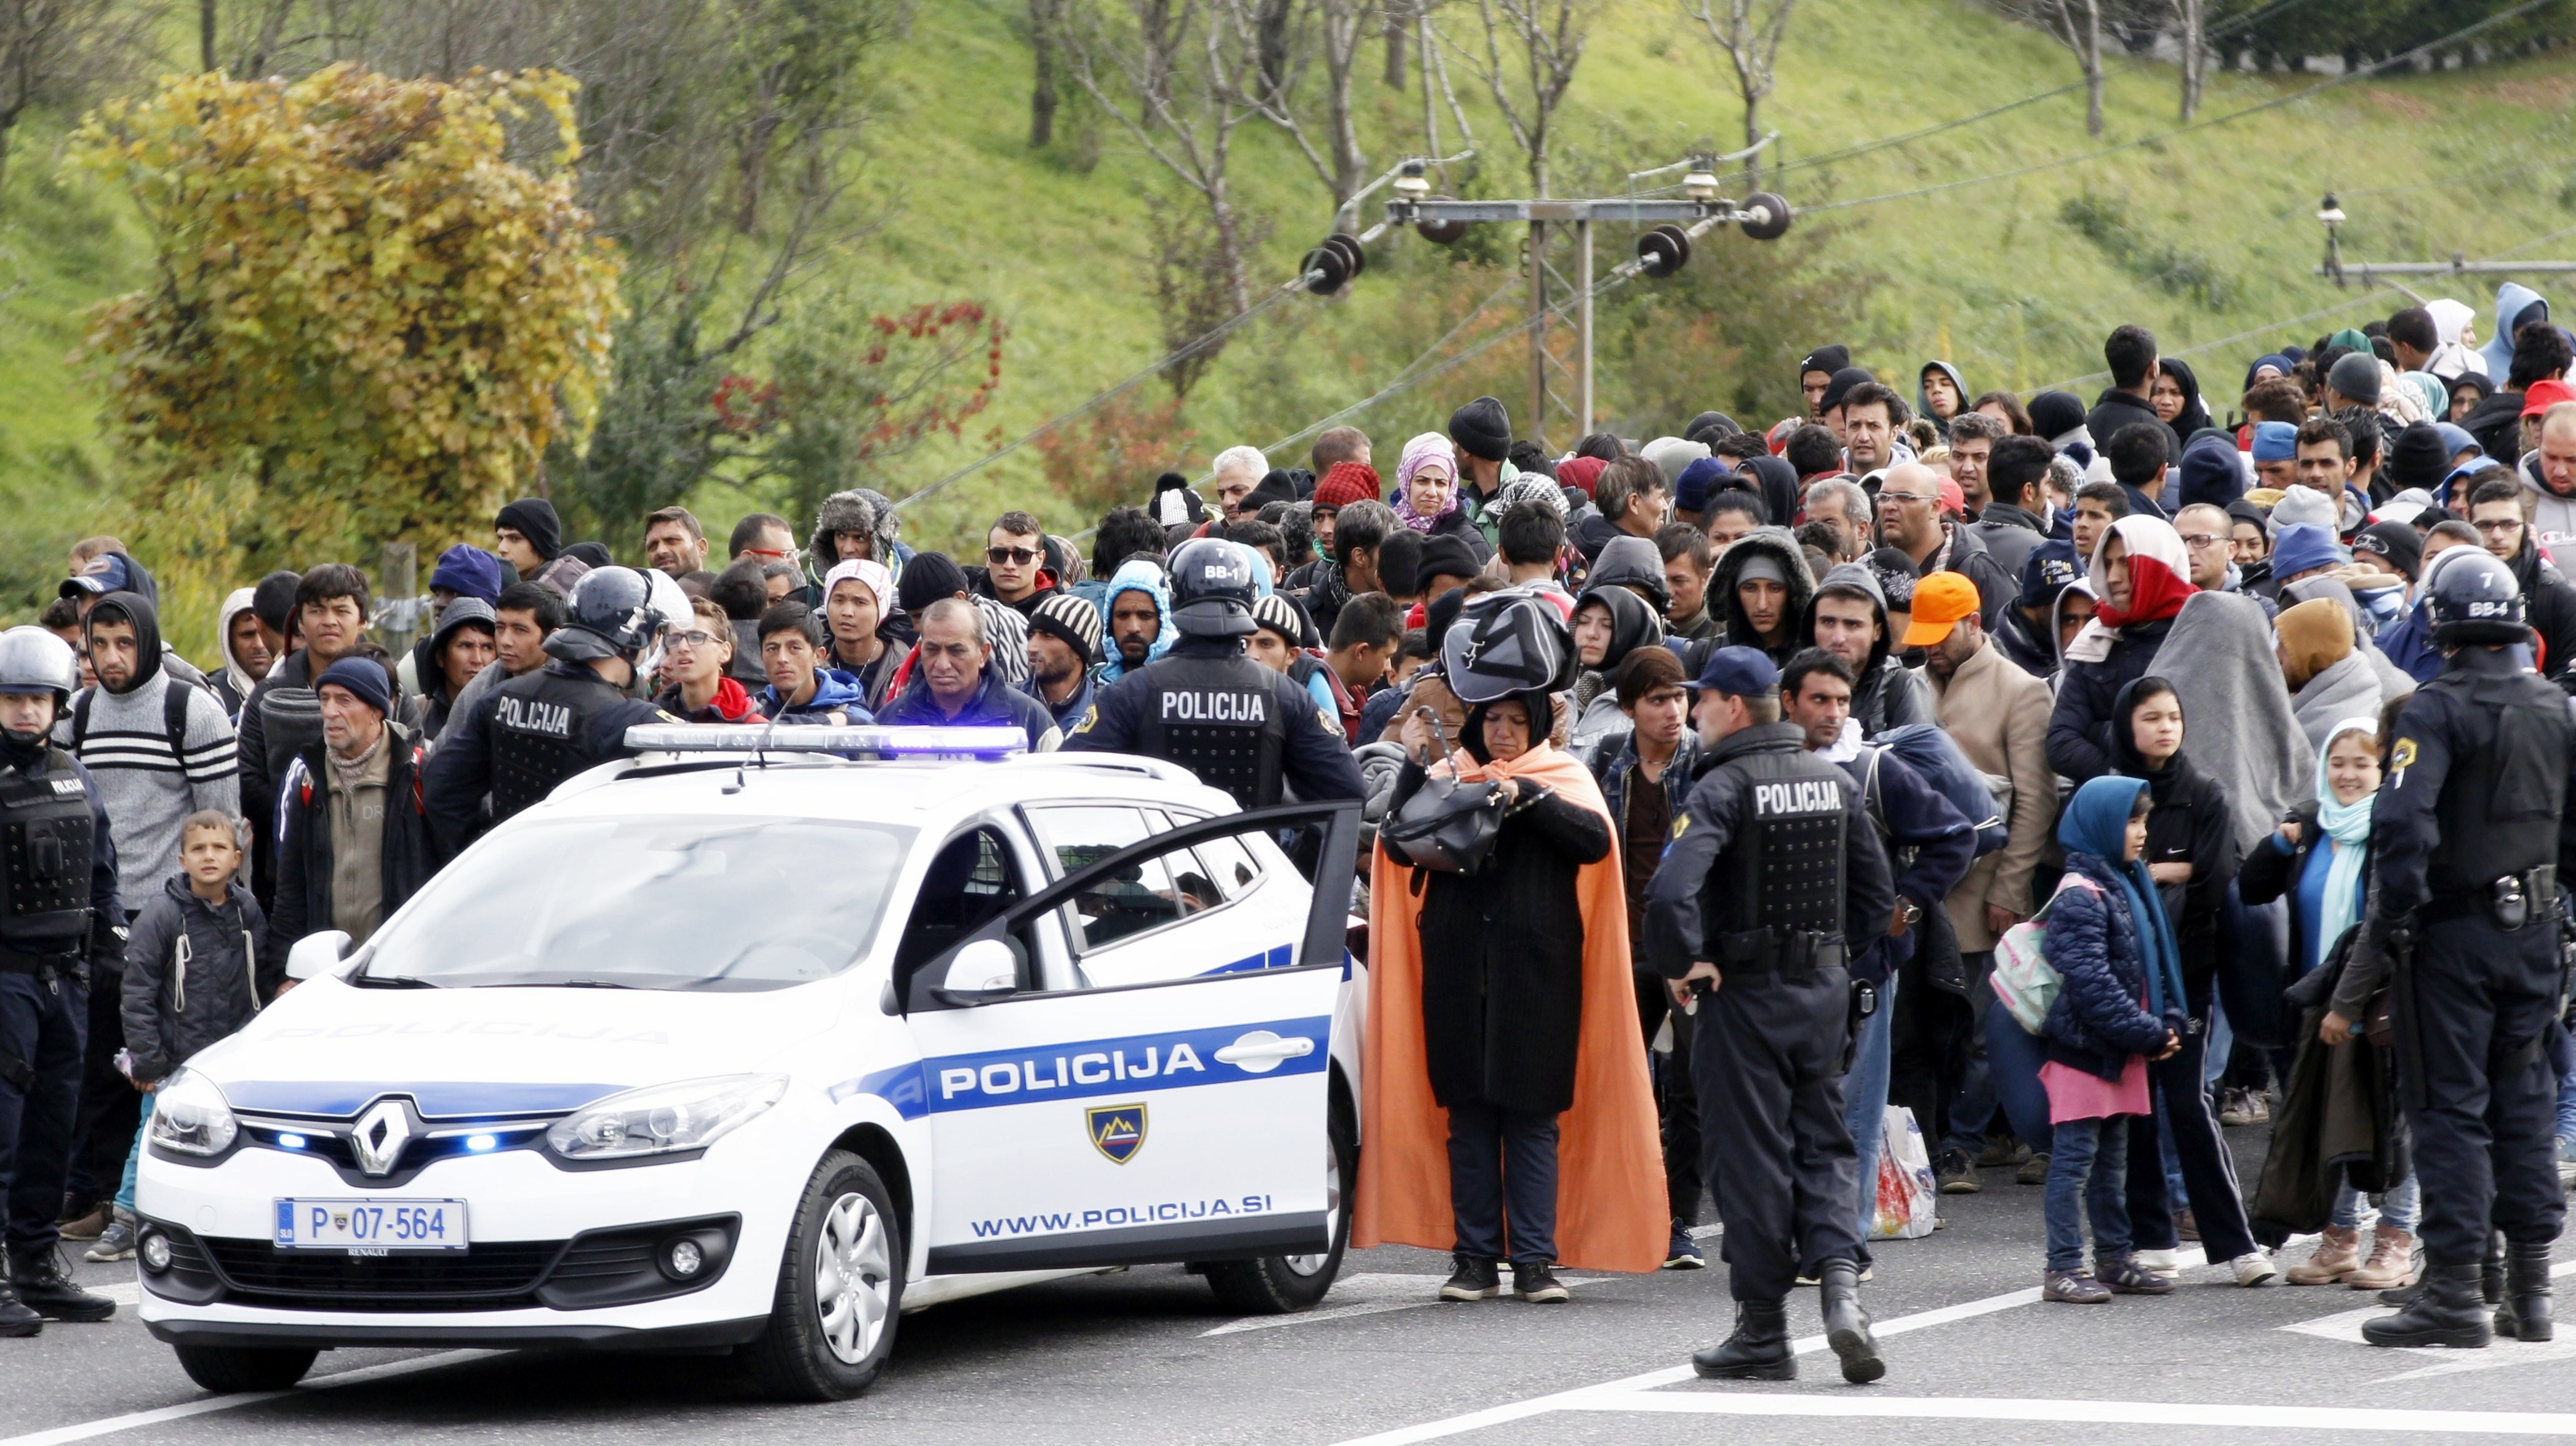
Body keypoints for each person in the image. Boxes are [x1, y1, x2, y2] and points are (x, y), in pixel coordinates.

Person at [1644, 645, 1895, 1384]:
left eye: (1700, 699)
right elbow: (1876, 901)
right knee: (1823, 1142)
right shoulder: (1833, 780)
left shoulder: (1720, 786)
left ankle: (1762, 1330)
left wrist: (1682, 959)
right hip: (1822, 992)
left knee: (1749, 1157)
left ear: (1731, 706)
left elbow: (1668, 894)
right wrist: (1829, 959)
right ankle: (1842, 1291)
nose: (1691, 711)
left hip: (1744, 995)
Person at [2359, 548, 2574, 1348]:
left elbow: (2400, 821)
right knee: (2524, 1099)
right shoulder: (2555, 706)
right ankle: (2528, 1286)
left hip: (2453, 932)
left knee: (2448, 1106)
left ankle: (2453, 1288)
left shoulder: (2433, 708)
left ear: (2439, 626)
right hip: (2537, 931)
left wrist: (2394, 918)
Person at [1378, 688, 1615, 1303]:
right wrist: (1413, 768)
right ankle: (1475, 1258)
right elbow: (1396, 841)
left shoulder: (1560, 775)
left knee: (1532, 1112)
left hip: (1538, 967)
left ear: (1535, 725)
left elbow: (1594, 841)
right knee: (1468, 1111)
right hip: (1456, 961)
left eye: (1516, 720)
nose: (1503, 731)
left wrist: (1526, 796)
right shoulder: (1449, 772)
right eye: (1492, 719)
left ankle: (1534, 1260)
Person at [2242, 717, 2420, 1290]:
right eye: (2337, 762)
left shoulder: (2395, 829)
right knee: (2336, 1117)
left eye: (2362, 763)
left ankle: (2395, 1241)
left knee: (2396, 1122)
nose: (2348, 774)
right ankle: (2340, 1240)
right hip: (2322, 1001)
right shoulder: (2313, 825)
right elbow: (2251, 888)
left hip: (2383, 996)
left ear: (2383, 770)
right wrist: (2278, 843)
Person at [1917, 574, 2058, 1189]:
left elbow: (2035, 802)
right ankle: (1947, 1136)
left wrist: (2009, 888)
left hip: (1984, 891)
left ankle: (1964, 1142)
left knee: (1981, 1030)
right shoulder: (1912, 684)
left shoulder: (2021, 691)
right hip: (1924, 888)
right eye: (1923, 636)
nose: (1931, 647)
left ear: (1974, 623)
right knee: (1933, 1028)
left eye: (1941, 634)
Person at [0, 628, 123, 1334]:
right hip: (7, 977)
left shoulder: (76, 774)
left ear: (57, 704)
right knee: (3, 1131)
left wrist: (112, 943)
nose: (26, 711)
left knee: (53, 1126)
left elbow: (104, 871)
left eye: (37, 699)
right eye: (12, 698)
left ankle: (36, 1265)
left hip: (66, 977)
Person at [2034, 776, 2186, 1304]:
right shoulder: (2082, 894)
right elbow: (2092, 984)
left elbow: (2151, 967)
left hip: (2120, 1049)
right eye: (2131, 820)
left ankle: (2115, 1258)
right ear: (2100, 824)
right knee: (2074, 1162)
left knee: (2111, 1163)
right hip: (2085, 1052)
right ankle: (2063, 1266)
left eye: (2144, 820)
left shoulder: (2123, 883)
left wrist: (2168, 1021)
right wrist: (2150, 1033)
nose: (2141, 832)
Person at [1064, 540, 1362, 807]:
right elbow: (1349, 790)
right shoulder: (1286, 696)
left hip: (1159, 851)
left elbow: (1067, 779)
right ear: (1249, 598)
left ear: (1172, 598)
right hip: (1255, 851)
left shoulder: (1131, 692)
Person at [92, 811, 267, 1265]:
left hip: (231, 1060)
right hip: (173, 1060)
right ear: (182, 859)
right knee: (150, 1136)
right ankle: (127, 1218)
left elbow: (260, 980)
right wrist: (148, 1061)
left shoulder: (248, 911)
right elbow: (137, 992)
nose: (209, 856)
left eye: (219, 848)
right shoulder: (162, 914)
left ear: (237, 858)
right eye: (198, 849)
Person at [1588, 649, 1709, 1268]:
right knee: (1614, 1083)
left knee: (1690, 1088)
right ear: (1629, 706)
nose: (1672, 711)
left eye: (1679, 697)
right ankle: (1611, 1212)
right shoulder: (1607, 760)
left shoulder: (1706, 762)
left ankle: (1679, 1219)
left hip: (1687, 950)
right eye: (1658, 699)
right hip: (1623, 944)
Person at [423, 568, 675, 857]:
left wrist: (485, 849)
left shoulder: (499, 697)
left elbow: (441, 789)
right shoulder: (630, 719)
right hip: (587, 873)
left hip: (509, 868)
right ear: (635, 640)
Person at [268, 654, 434, 958]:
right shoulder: (310, 777)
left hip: (401, 962)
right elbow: (291, 887)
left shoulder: (417, 773)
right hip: (328, 966)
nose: (330, 712)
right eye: (325, 699)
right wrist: (282, 970)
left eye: (345, 701)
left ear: (376, 711)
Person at [238, 564, 372, 904]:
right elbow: (248, 780)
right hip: (283, 874)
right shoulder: (269, 695)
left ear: (362, 621)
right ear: (300, 622)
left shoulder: (388, 691)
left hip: (369, 873)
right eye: (317, 610)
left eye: (341, 611)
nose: (329, 621)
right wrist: (302, 818)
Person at [2047, 516, 2194, 783]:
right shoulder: (2095, 638)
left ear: (2159, 564)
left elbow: (2205, 734)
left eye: (2125, 563)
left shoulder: (2199, 632)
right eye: (2107, 564)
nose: (2113, 578)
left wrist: (2101, 732)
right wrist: (2124, 782)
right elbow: (2061, 742)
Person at [869, 599, 1058, 751]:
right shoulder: (889, 720)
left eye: (956, 651)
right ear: (920, 650)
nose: (942, 665)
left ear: (983, 654)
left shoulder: (1030, 719)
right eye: (932, 650)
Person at [1797, 563, 1931, 737]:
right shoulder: (1787, 683)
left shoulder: (1900, 688)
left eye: (1852, 625)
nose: (1838, 638)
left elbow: (1922, 752)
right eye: (1828, 622)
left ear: (1877, 631)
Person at [754, 602, 871, 726]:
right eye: (772, 649)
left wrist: (842, 719)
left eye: (794, 648)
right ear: (762, 658)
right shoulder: (756, 707)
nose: (782, 659)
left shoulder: (849, 712)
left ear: (818, 656)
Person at [653, 597, 765, 723]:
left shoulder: (754, 726)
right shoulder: (652, 717)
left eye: (696, 637)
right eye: (674, 639)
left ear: (725, 652)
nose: (682, 647)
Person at [410, 597, 496, 743]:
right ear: (440, 657)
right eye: (466, 646)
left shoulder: (509, 716)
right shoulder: (415, 714)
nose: (477, 659)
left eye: (487, 647)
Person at [1026, 592, 1102, 731]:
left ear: (1078, 651)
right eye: (1031, 636)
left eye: (1048, 636)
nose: (1032, 647)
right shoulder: (1007, 701)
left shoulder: (1104, 711)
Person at [210, 587, 273, 721]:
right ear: (229, 641)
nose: (259, 645)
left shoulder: (299, 687)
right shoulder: (213, 698)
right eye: (247, 635)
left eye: (265, 633)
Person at [642, 505, 710, 578]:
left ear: (701, 548)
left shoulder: (718, 585)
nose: (660, 551)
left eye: (672, 541)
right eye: (653, 546)